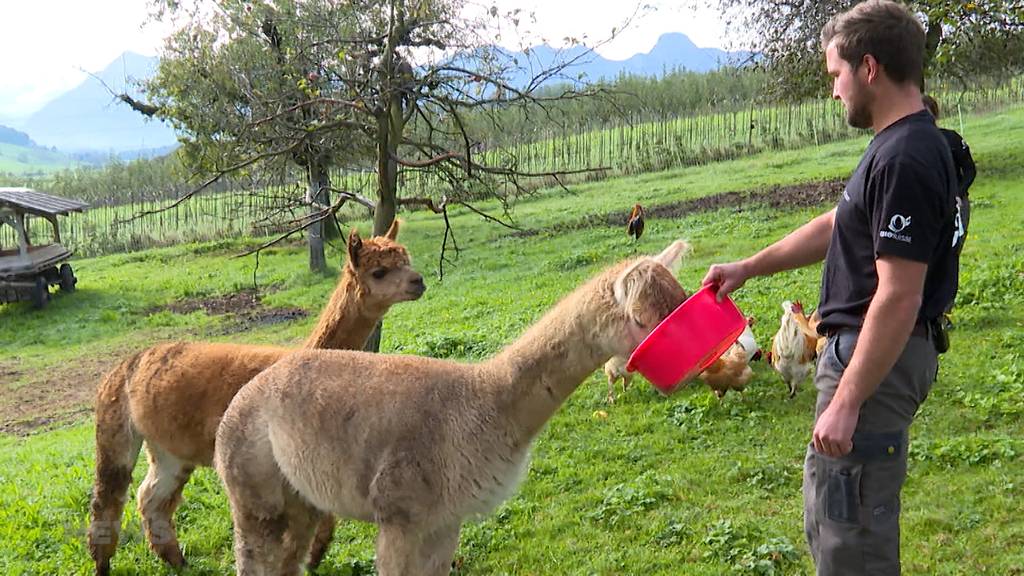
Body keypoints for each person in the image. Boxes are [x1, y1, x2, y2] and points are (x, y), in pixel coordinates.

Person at [702, 1, 961, 574]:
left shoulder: (906, 157)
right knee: (835, 520)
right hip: (870, 360)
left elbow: (898, 294)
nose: (834, 91)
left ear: (868, 68)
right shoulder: (902, 146)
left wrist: (847, 400)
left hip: (873, 364)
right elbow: (839, 224)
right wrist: (748, 266)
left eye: (835, 75)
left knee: (852, 541)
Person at [922, 93, 976, 255]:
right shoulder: (910, 145)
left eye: (925, 112)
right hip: (926, 207)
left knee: (952, 251)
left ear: (934, 114)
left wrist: (958, 194)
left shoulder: (951, 139)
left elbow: (969, 170)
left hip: (956, 205)